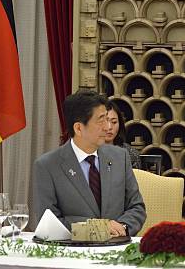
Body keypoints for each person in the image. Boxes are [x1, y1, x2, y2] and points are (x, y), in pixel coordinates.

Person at [33, 89, 146, 235]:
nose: (107, 127)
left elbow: (137, 207)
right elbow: (48, 221)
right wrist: (98, 229)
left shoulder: (120, 157)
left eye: (107, 118)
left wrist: (122, 226)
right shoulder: (47, 166)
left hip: (116, 248)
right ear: (79, 128)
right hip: (72, 252)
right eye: (101, 120)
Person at [105, 100, 142, 169]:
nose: (109, 127)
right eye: (105, 121)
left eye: (114, 122)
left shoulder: (129, 153)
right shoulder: (87, 152)